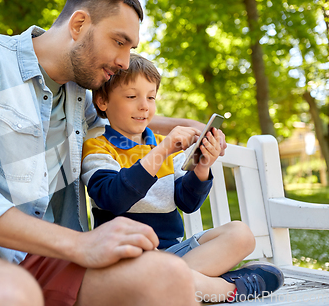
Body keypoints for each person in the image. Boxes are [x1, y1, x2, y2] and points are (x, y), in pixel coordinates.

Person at [0, 0, 222, 306]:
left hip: (45, 260)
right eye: (119, 42)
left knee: (169, 278)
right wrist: (78, 245)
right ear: (78, 25)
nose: (123, 62)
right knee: (11, 295)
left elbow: (126, 116)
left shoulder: (78, 97)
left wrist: (195, 128)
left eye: (130, 48)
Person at [81, 53, 284, 303]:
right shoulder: (99, 149)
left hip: (175, 255)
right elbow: (113, 198)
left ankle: (179, 285)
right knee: (153, 277)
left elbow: (187, 203)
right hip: (128, 261)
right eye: (132, 96)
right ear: (102, 101)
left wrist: (201, 169)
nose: (144, 105)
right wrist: (162, 151)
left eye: (151, 97)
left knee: (241, 234)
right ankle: (227, 289)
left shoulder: (162, 148)